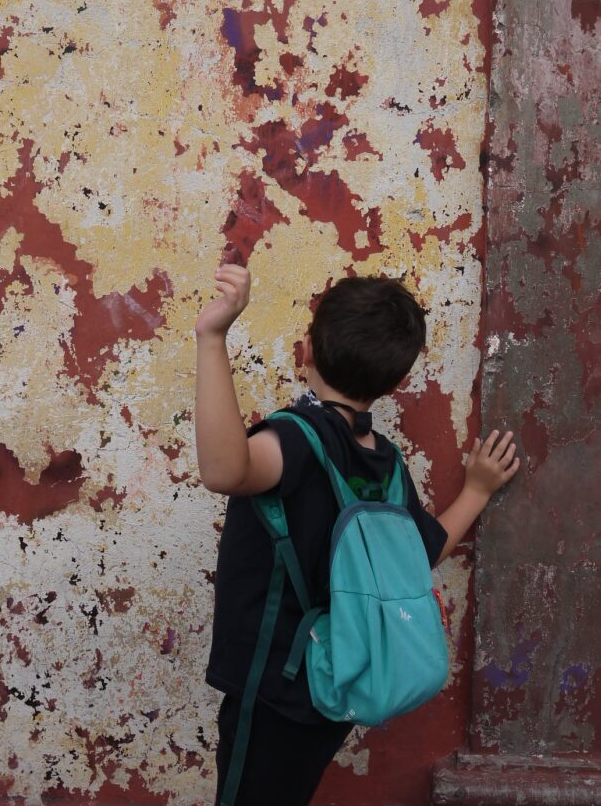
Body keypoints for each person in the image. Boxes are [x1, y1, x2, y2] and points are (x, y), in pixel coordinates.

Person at [195, 264, 519, 806]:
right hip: (337, 679)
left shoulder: (297, 440)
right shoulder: (383, 462)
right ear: (394, 384)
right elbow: (425, 550)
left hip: (274, 686)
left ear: (305, 351)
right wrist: (477, 490)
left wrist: (212, 336)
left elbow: (225, 470)